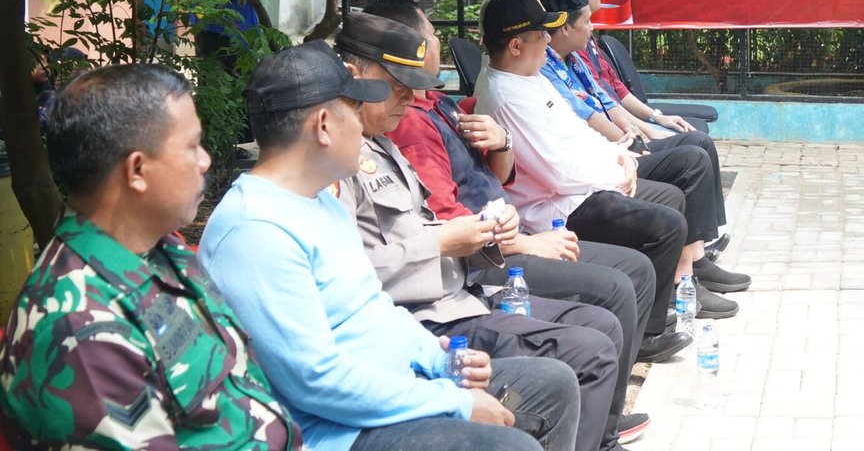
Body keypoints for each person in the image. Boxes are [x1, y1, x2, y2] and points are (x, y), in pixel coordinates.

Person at [201, 43, 580, 451]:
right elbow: (316, 382)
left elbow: (375, 307)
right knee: (509, 446)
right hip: (342, 430)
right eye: (354, 110)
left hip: (400, 387)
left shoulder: (319, 200)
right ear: (324, 126)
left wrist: (441, 361)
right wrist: (453, 402)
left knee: (553, 384)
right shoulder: (254, 231)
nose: (362, 126)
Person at [332, 11, 633, 451]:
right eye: (395, 84)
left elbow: (450, 207)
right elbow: (352, 282)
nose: (408, 96)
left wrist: (482, 228)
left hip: (465, 287)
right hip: (432, 316)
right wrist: (457, 240)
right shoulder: (340, 164)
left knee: (601, 319)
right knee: (587, 347)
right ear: (354, 76)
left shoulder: (391, 136)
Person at [361, 0, 686, 370]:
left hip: (509, 230)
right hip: (491, 254)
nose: (549, 41)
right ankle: (634, 350)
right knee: (620, 287)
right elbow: (451, 222)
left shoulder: (440, 103)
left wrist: (504, 142)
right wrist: (530, 242)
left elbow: (496, 175)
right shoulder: (413, 126)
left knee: (652, 237)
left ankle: (676, 290)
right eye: (432, 34)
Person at [0, 63, 301, 451]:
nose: (205, 161)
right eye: (192, 146)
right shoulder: (83, 331)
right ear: (137, 170)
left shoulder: (160, 247)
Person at [473, 0, 702, 337]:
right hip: (559, 208)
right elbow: (558, 174)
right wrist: (617, 171)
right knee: (666, 225)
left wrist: (621, 156)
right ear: (516, 46)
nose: (549, 40)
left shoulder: (531, 77)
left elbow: (578, 133)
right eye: (542, 34)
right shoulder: (506, 98)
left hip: (585, 187)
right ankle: (646, 334)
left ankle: (660, 306)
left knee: (671, 198)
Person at [538, 0, 748, 297]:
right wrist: (631, 144)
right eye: (586, 21)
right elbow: (589, 119)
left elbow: (609, 102)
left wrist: (650, 129)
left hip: (618, 147)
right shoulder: (544, 69)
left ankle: (697, 256)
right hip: (600, 164)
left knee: (697, 142)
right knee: (692, 160)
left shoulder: (576, 58)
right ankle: (684, 274)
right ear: (565, 27)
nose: (592, 26)